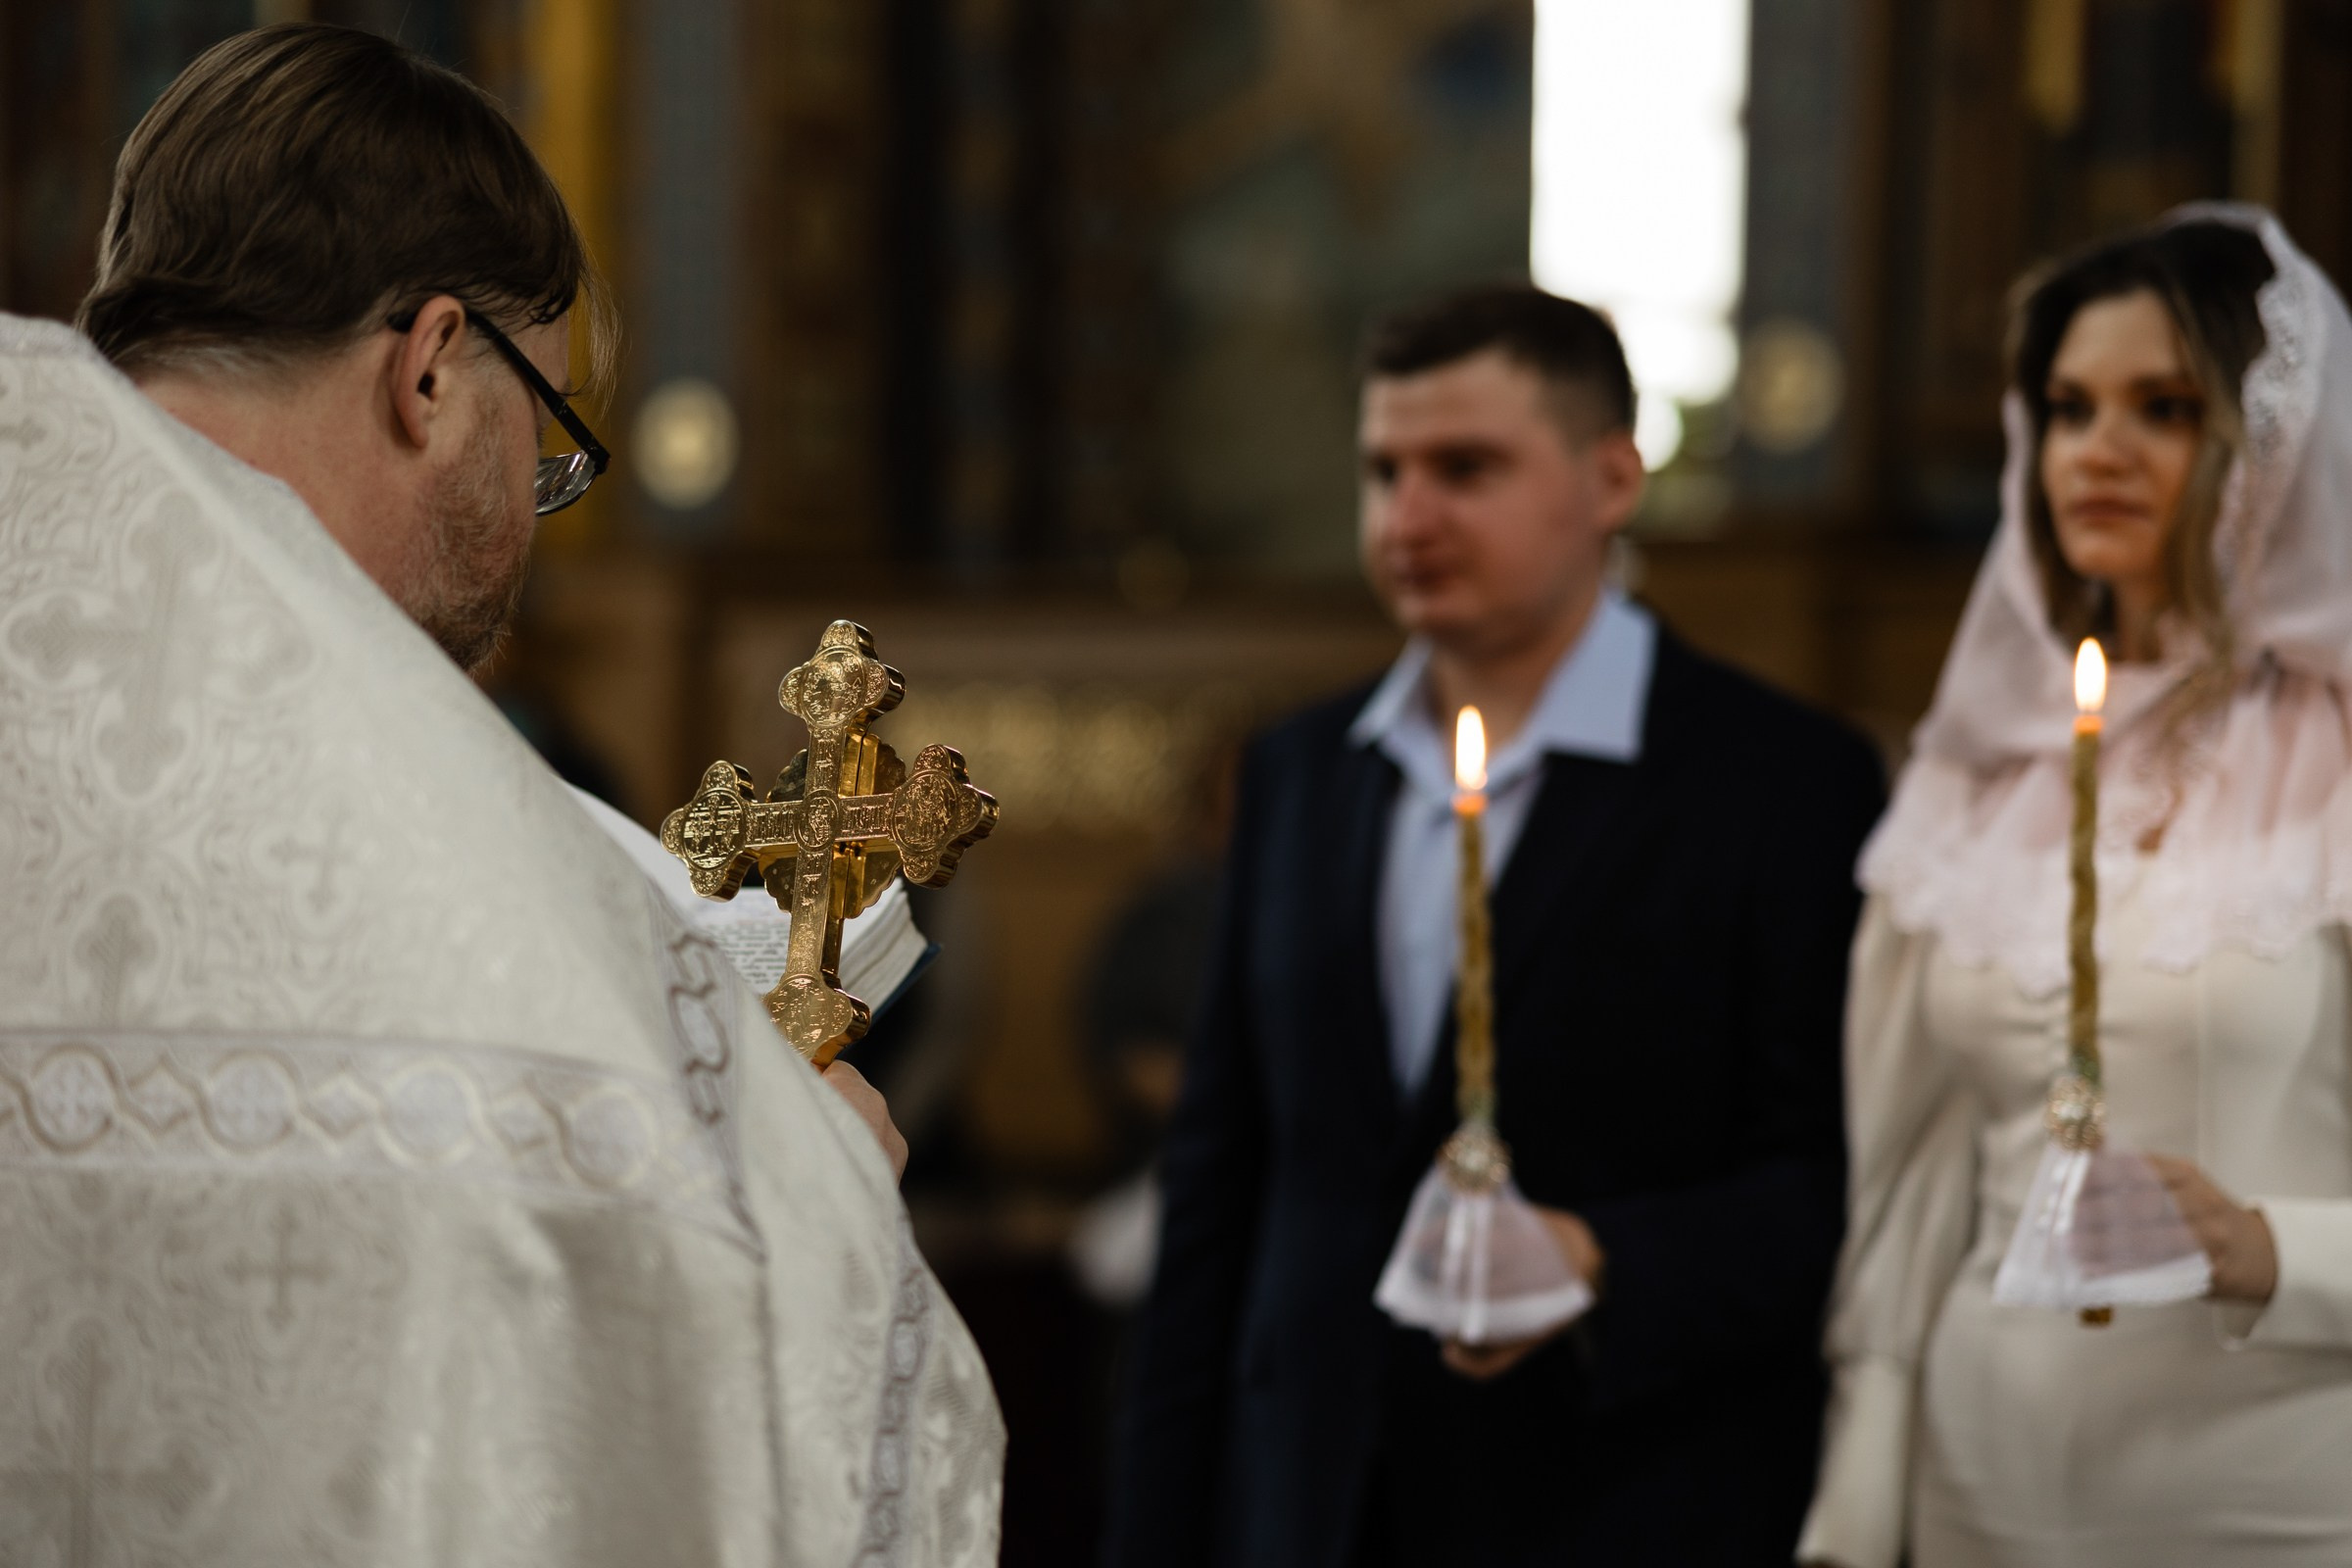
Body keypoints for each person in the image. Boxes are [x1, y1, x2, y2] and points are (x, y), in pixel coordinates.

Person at [0, 24, 1001, 1562]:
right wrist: (812, 1194)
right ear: (431, 366)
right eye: (544, 443)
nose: (531, 520)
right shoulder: (498, 873)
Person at [1104, 284, 1886, 1567]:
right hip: (1307, 1502)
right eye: (1383, 470)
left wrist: (1599, 1255)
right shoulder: (1302, 772)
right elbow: (1220, 1187)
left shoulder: (1779, 780)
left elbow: (1829, 1184)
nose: (1408, 516)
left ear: (1612, 480)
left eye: (1465, 468)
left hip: (1619, 1497)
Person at [1799, 205, 2352, 1568]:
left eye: (2161, 407)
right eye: (2065, 408)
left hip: (2266, 1487)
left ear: (2268, 436)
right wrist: (1861, 1507)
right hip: (1976, 1480)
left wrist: (2270, 1243)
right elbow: (1905, 1190)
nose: (2094, 450)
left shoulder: (2338, 755)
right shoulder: (1979, 772)